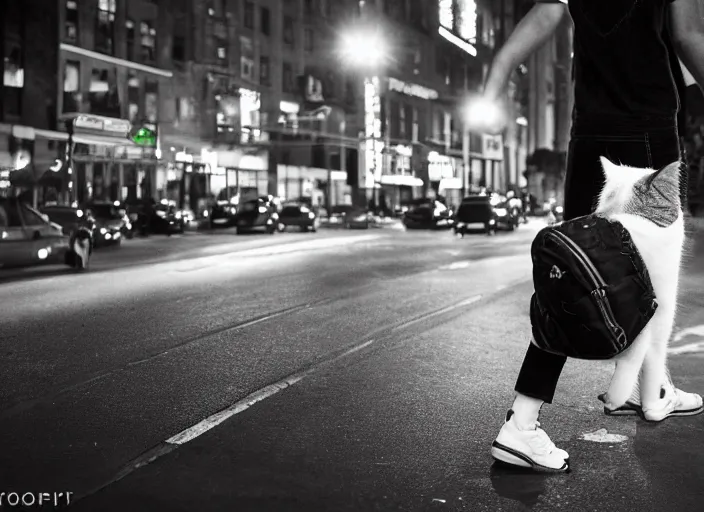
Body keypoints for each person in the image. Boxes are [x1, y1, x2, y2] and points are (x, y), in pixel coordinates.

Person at [480, 0, 704, 472]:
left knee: (573, 273)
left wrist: (497, 76)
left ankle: (638, 391)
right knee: (650, 272)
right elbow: (688, 34)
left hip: (589, 134)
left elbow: (547, 10)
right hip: (645, 126)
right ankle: (524, 428)